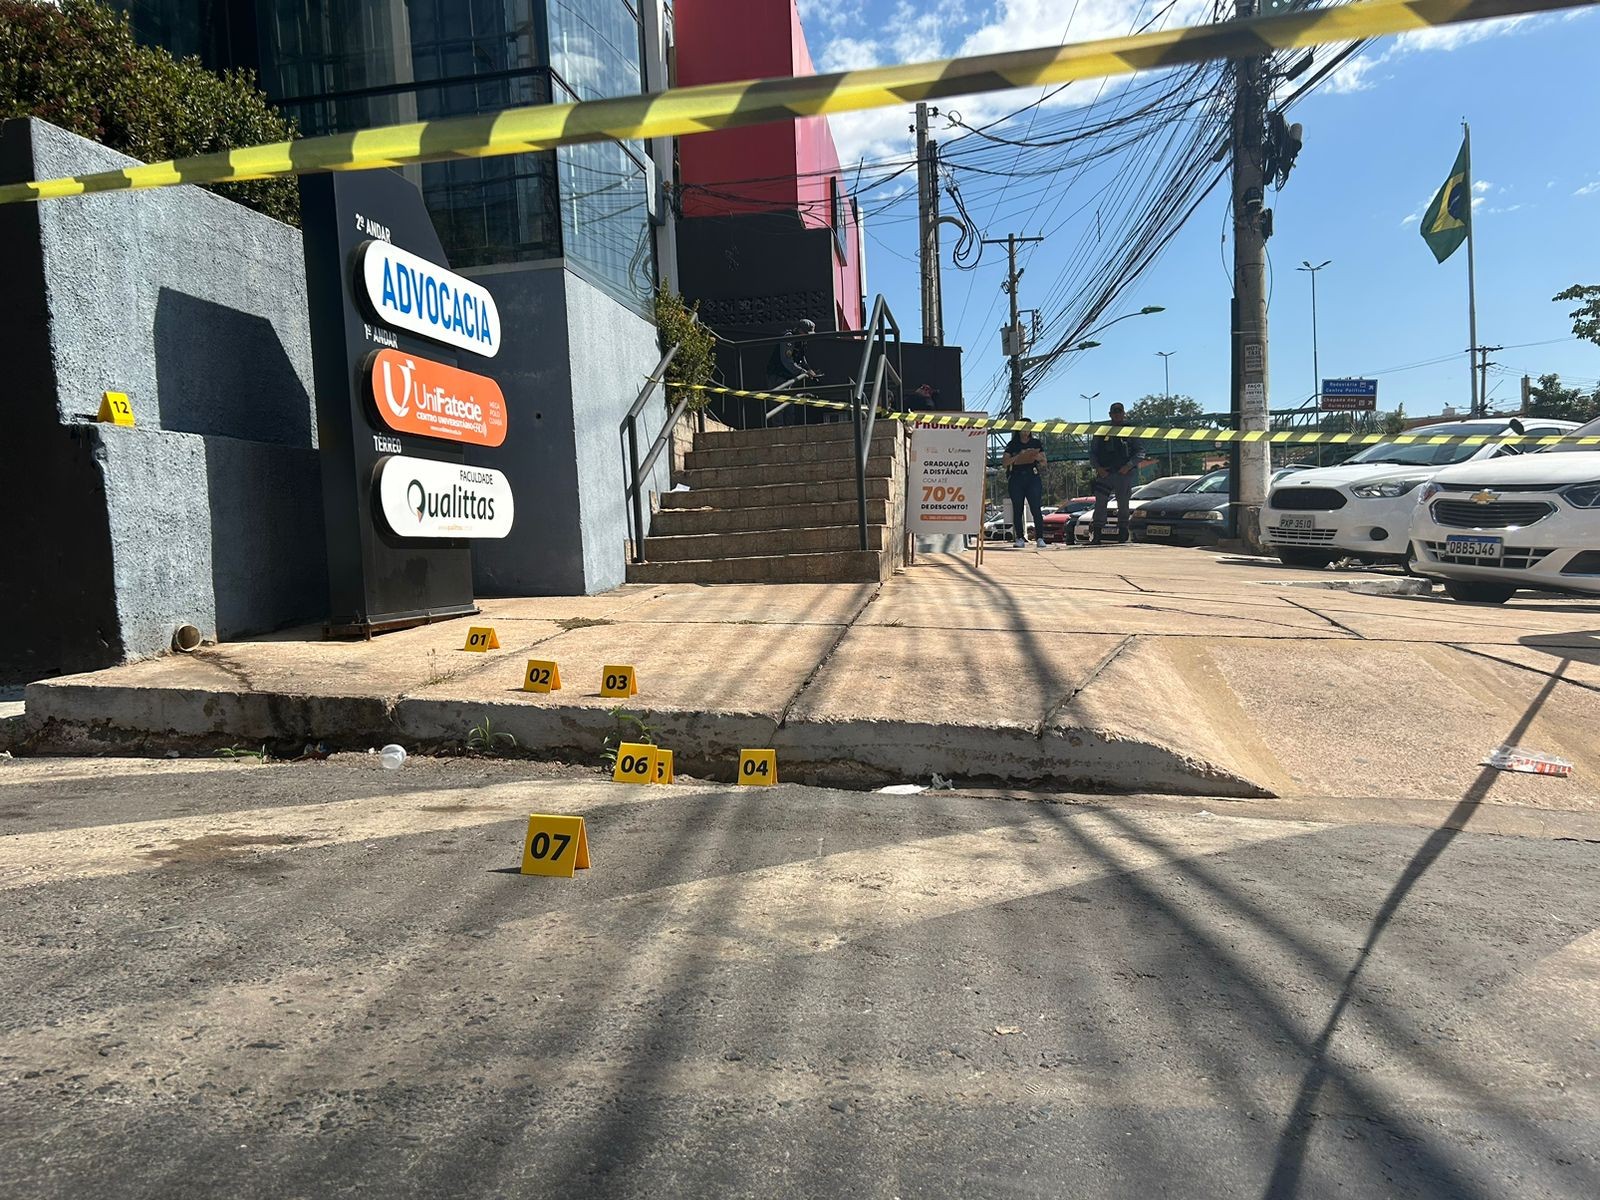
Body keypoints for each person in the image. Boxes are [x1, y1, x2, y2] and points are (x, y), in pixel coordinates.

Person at [1088, 402, 1141, 545]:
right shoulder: (1102, 431)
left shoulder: (1130, 430)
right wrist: (1098, 468)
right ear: (1110, 414)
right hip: (1104, 473)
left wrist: (1128, 466)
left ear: (1124, 413)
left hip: (1123, 473)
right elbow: (1093, 453)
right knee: (1100, 504)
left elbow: (1140, 451)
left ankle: (1122, 534)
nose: (1117, 415)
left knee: (1123, 504)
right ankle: (1097, 534)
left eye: (1120, 412)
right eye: (1114, 413)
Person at [1002, 427, 1048, 549]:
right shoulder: (1012, 444)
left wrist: (1036, 456)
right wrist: (1018, 456)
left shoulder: (1036, 443)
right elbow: (1005, 462)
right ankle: (1020, 537)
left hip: (1032, 476)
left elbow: (1044, 462)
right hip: (1016, 477)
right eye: (1023, 429)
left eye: (1028, 429)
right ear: (1018, 430)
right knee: (1017, 509)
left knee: (1036, 508)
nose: (1025, 432)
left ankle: (1040, 538)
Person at [766, 319, 819, 391]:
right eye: (806, 333)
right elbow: (786, 361)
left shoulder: (801, 340)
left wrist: (809, 369)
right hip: (778, 375)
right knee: (779, 398)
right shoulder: (789, 338)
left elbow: (802, 357)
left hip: (789, 374)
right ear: (800, 331)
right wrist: (802, 371)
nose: (808, 337)